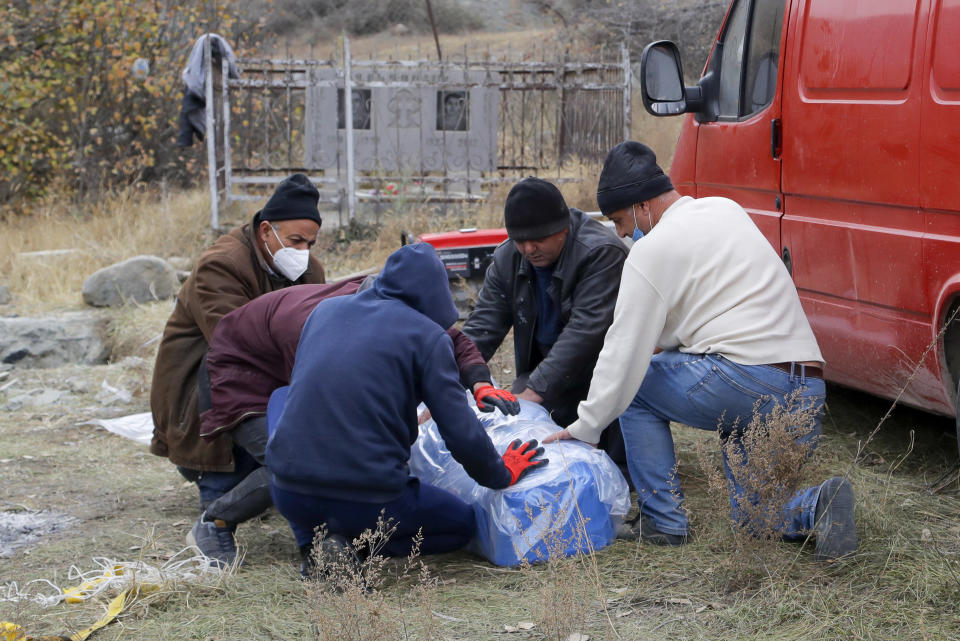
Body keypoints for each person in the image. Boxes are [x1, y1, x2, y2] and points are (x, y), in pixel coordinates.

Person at [544, 141, 857, 561]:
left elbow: (623, 354)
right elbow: (710, 312)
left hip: (744, 380)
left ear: (642, 206)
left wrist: (586, 426)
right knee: (754, 520)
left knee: (634, 388)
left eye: (619, 219)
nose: (620, 232)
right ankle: (820, 504)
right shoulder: (725, 211)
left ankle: (663, 521)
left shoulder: (651, 251)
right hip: (807, 388)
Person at [189, 276, 519, 566]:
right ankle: (217, 520)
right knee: (300, 451)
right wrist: (497, 474)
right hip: (242, 375)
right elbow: (313, 410)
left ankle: (327, 541)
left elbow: (447, 334)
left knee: (308, 460)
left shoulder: (383, 299)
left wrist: (479, 380)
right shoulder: (314, 324)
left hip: (288, 408)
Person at [265, 244, 548, 571]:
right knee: (463, 524)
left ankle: (315, 544)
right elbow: (459, 432)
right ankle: (357, 545)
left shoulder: (324, 312)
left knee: (286, 412)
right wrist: (500, 473)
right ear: (437, 293)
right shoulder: (427, 337)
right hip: (369, 498)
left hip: (287, 491)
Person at [150, 173, 325, 534]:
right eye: (295, 240)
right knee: (247, 477)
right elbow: (236, 346)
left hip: (265, 388)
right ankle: (217, 505)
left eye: (310, 242)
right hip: (203, 399)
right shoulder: (221, 266)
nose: (303, 251)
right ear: (265, 231)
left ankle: (268, 473)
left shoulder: (309, 270)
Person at [462, 177, 629, 462]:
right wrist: (448, 380)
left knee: (610, 464)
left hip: (601, 377)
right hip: (546, 373)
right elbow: (482, 327)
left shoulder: (600, 253)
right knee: (526, 439)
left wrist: (533, 392)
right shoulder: (506, 259)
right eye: (520, 241)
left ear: (562, 228)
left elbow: (585, 333)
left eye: (538, 239)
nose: (528, 249)